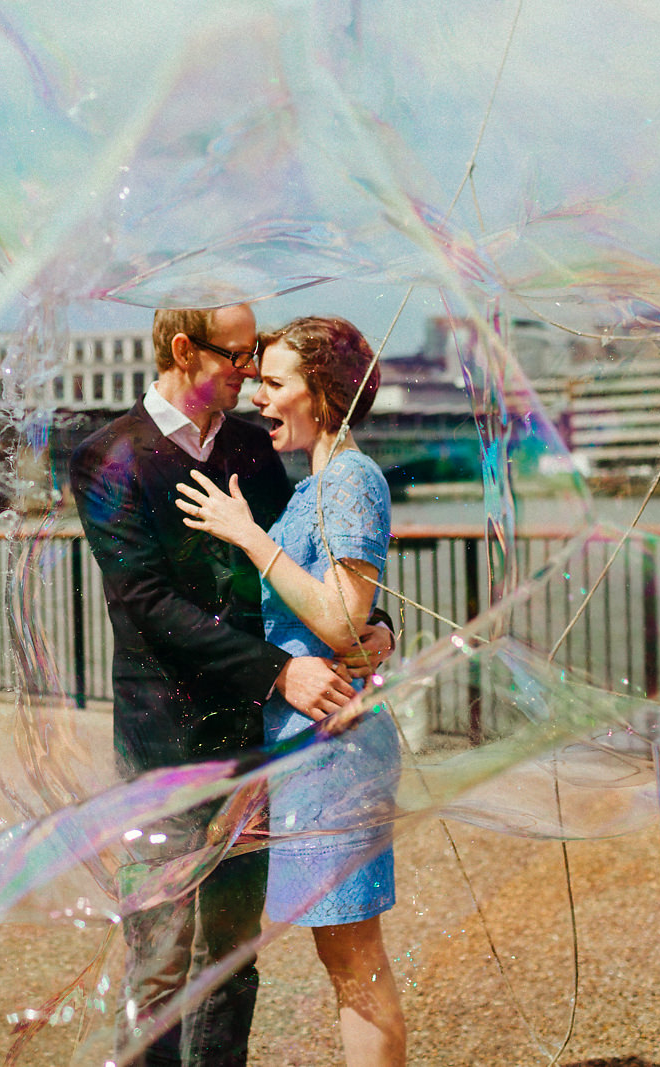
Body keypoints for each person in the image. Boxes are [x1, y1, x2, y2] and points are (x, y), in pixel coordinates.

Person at [69, 303, 390, 1067]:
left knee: (231, 961)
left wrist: (375, 633)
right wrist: (281, 672)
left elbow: (317, 571)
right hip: (166, 747)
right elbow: (144, 602)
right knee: (160, 964)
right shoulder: (108, 455)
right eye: (240, 357)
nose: (252, 377)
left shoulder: (254, 444)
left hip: (257, 738)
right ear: (184, 350)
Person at [175, 315, 406, 1066]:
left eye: (275, 383)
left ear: (324, 393)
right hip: (308, 744)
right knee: (342, 960)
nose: (260, 398)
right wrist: (381, 633)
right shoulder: (318, 481)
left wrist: (249, 535)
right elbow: (349, 617)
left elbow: (343, 617)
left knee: (354, 961)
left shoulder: (349, 477)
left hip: (335, 746)